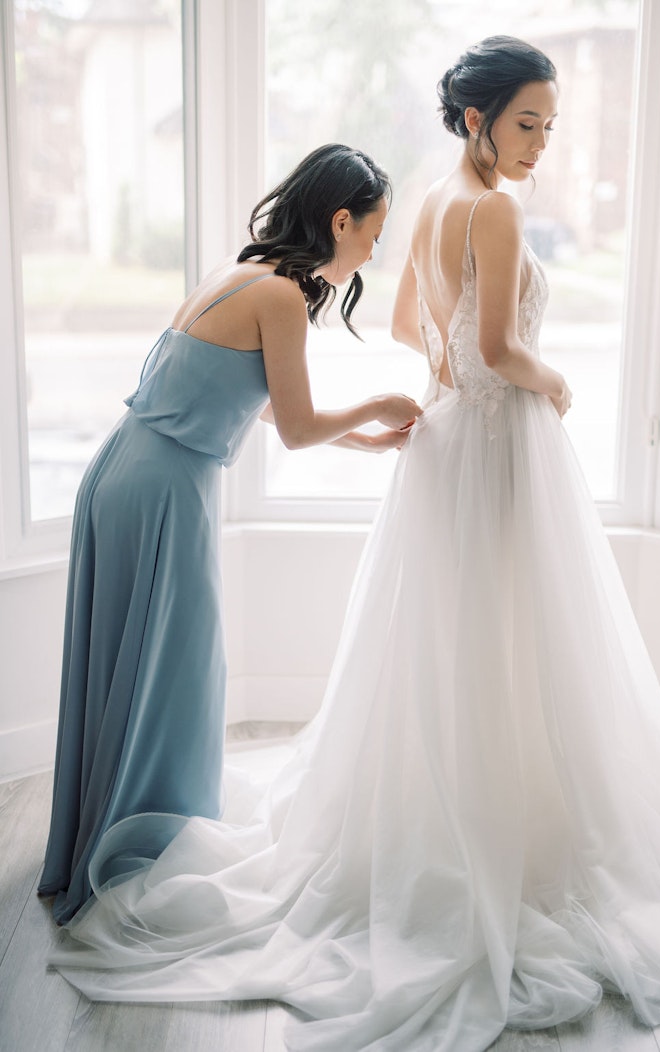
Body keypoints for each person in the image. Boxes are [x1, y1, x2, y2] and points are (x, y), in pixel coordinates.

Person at [47, 38, 660, 1052]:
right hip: (490, 441)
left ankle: (432, 815)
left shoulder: (437, 201)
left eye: (549, 126)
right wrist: (548, 382)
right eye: (526, 122)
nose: (538, 143)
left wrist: (421, 397)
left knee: (448, 642)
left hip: (442, 441)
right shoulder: (487, 208)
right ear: (478, 119)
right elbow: (489, 350)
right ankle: (498, 824)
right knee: (510, 640)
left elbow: (408, 325)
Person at [38, 143, 422, 926]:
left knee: (140, 661)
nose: (375, 252)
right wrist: (379, 404)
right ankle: (148, 834)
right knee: (176, 666)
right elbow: (299, 427)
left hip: (127, 470)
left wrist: (368, 442)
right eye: (374, 235)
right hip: (164, 487)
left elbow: (268, 408)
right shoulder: (281, 295)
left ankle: (118, 819)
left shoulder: (243, 271)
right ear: (340, 220)